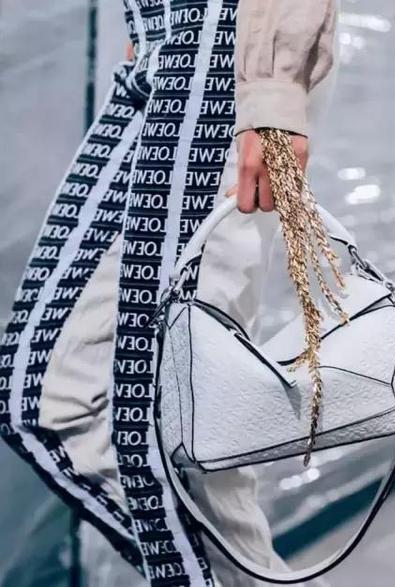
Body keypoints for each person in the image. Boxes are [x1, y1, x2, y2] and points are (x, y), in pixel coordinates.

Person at [0, 0, 338, 585]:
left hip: (223, 42)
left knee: (165, 424)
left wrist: (274, 92)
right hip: (158, 46)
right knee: (38, 399)